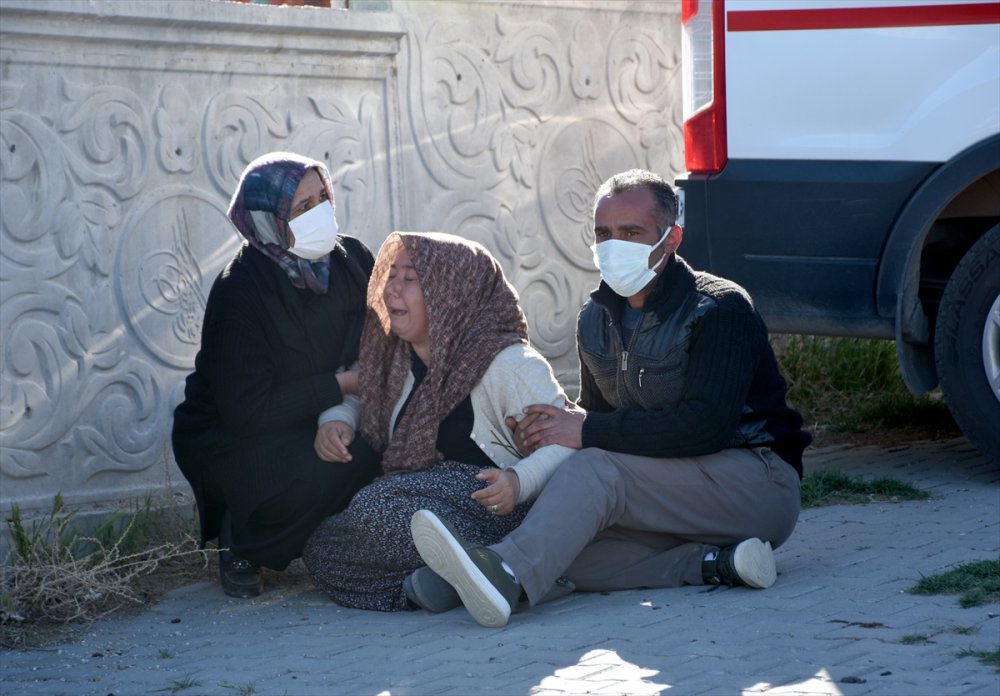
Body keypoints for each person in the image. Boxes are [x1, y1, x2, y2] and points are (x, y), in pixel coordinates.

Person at [410, 168, 813, 627]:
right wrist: (545, 435)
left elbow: (706, 427)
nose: (613, 244)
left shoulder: (718, 308)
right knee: (570, 549)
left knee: (595, 471)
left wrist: (584, 430)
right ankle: (715, 564)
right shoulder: (595, 320)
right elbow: (598, 422)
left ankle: (502, 572)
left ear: (672, 238)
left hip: (756, 483)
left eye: (631, 232)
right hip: (673, 493)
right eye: (603, 233)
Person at [302, 231, 575, 612]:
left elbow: (568, 445)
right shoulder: (397, 357)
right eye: (391, 274)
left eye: (411, 278)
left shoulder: (509, 363)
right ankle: (447, 582)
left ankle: (506, 563)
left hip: (499, 511)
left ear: (452, 293)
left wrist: (518, 481)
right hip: (418, 503)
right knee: (322, 551)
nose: (391, 289)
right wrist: (337, 420)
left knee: (376, 504)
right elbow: (361, 389)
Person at [172, 151, 382, 599]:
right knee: (296, 475)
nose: (320, 212)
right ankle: (243, 541)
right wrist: (339, 387)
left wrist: (340, 414)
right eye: (302, 207)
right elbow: (246, 410)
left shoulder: (352, 260)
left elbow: (375, 347)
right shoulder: (240, 290)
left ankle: (324, 540)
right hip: (241, 433)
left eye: (322, 197)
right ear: (268, 221)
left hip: (329, 412)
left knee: (373, 451)